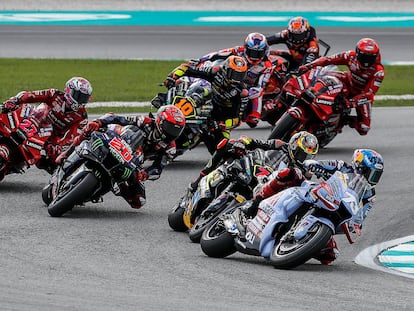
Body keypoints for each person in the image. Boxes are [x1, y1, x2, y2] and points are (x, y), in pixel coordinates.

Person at [57, 105, 186, 209]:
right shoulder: (143, 121)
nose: (172, 132)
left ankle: (112, 186)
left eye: (177, 130)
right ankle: (68, 153)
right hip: (118, 141)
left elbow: (158, 168)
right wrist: (99, 122)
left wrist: (144, 174)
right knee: (89, 131)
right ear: (160, 121)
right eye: (170, 127)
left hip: (132, 162)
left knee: (138, 202)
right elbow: (117, 118)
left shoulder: (170, 148)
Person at [163, 32, 273, 128]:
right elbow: (217, 54)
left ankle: (254, 114)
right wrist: (200, 60)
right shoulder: (237, 51)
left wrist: (245, 94)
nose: (254, 57)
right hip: (226, 79)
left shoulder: (267, 66)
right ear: (246, 48)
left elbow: (260, 87)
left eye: (258, 54)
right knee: (203, 72)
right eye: (252, 52)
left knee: (252, 107)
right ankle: (185, 87)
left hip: (247, 87)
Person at [303, 148, 384, 264]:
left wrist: (355, 225)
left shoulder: (370, 195)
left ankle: (296, 249)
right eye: (371, 173)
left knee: (330, 255)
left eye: (377, 175)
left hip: (337, 214)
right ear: (360, 166)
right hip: (320, 196)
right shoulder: (342, 166)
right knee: (298, 182)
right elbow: (319, 164)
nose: (374, 179)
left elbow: (360, 218)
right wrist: (315, 167)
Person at [0, 77, 93, 172]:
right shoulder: (54, 94)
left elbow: (72, 138)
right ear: (69, 91)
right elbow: (31, 95)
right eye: (78, 96)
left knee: (54, 163)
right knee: (14, 111)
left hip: (50, 139)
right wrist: (14, 101)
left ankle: (56, 181)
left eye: (84, 98)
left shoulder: (81, 117)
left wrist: (58, 147)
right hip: (35, 119)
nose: (80, 100)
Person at [160, 56, 250, 151]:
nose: (236, 79)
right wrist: (173, 76)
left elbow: (237, 120)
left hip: (221, 118)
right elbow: (186, 68)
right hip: (207, 105)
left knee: (222, 150)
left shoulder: (242, 93)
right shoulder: (215, 71)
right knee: (194, 89)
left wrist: (221, 124)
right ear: (225, 70)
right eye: (234, 75)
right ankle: (169, 112)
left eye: (240, 76)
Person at [298, 38, 385, 136]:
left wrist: (351, 103)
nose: (366, 62)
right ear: (358, 53)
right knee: (327, 76)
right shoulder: (350, 56)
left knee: (364, 128)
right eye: (364, 57)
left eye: (370, 58)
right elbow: (328, 59)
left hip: (360, 95)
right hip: (347, 81)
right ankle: (312, 92)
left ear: (376, 56)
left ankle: (342, 120)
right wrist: (309, 65)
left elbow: (369, 94)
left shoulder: (378, 71)